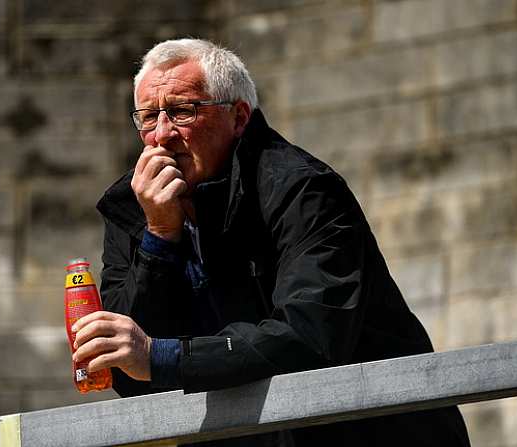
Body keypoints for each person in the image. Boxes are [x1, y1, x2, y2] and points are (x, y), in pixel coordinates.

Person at [72, 38, 470, 446]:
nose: (161, 135)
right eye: (147, 117)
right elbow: (128, 373)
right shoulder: (135, 209)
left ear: (239, 117)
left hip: (374, 433)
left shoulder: (302, 189)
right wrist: (160, 238)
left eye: (182, 111)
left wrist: (162, 357)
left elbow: (310, 336)